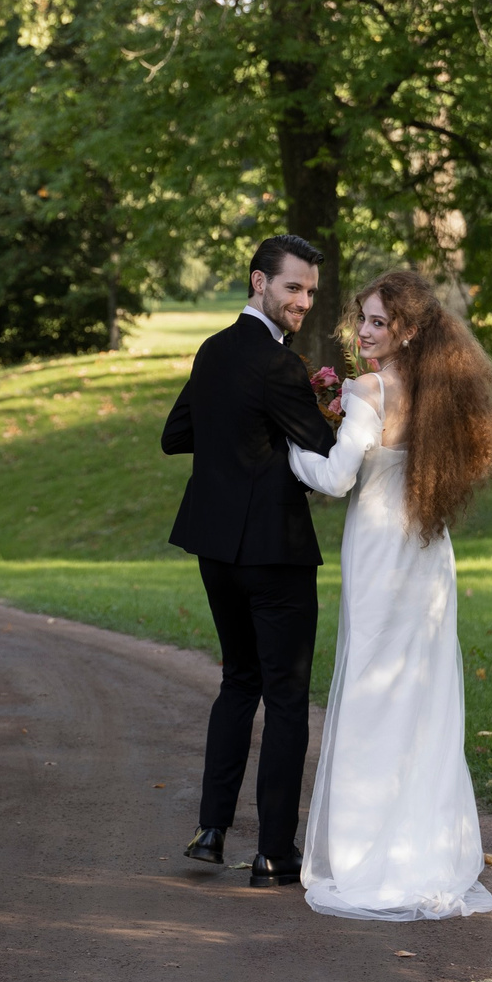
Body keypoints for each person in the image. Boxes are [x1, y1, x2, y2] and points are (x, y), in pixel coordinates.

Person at [285, 268, 492, 920]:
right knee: (420, 696)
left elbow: (334, 478)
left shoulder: (370, 388)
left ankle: (363, 855)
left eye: (379, 321)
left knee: (371, 690)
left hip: (383, 552)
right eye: (364, 318)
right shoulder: (440, 392)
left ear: (407, 329)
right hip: (428, 552)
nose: (364, 331)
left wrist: (284, 452)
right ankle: (425, 852)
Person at [160, 236, 339, 888]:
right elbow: (326, 449)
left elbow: (177, 434)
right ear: (259, 281)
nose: (303, 302)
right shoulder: (277, 365)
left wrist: (235, 442)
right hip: (275, 555)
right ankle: (272, 854)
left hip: (214, 549)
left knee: (239, 682)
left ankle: (210, 832)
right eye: (293, 287)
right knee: (286, 698)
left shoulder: (212, 352)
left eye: (311, 291)